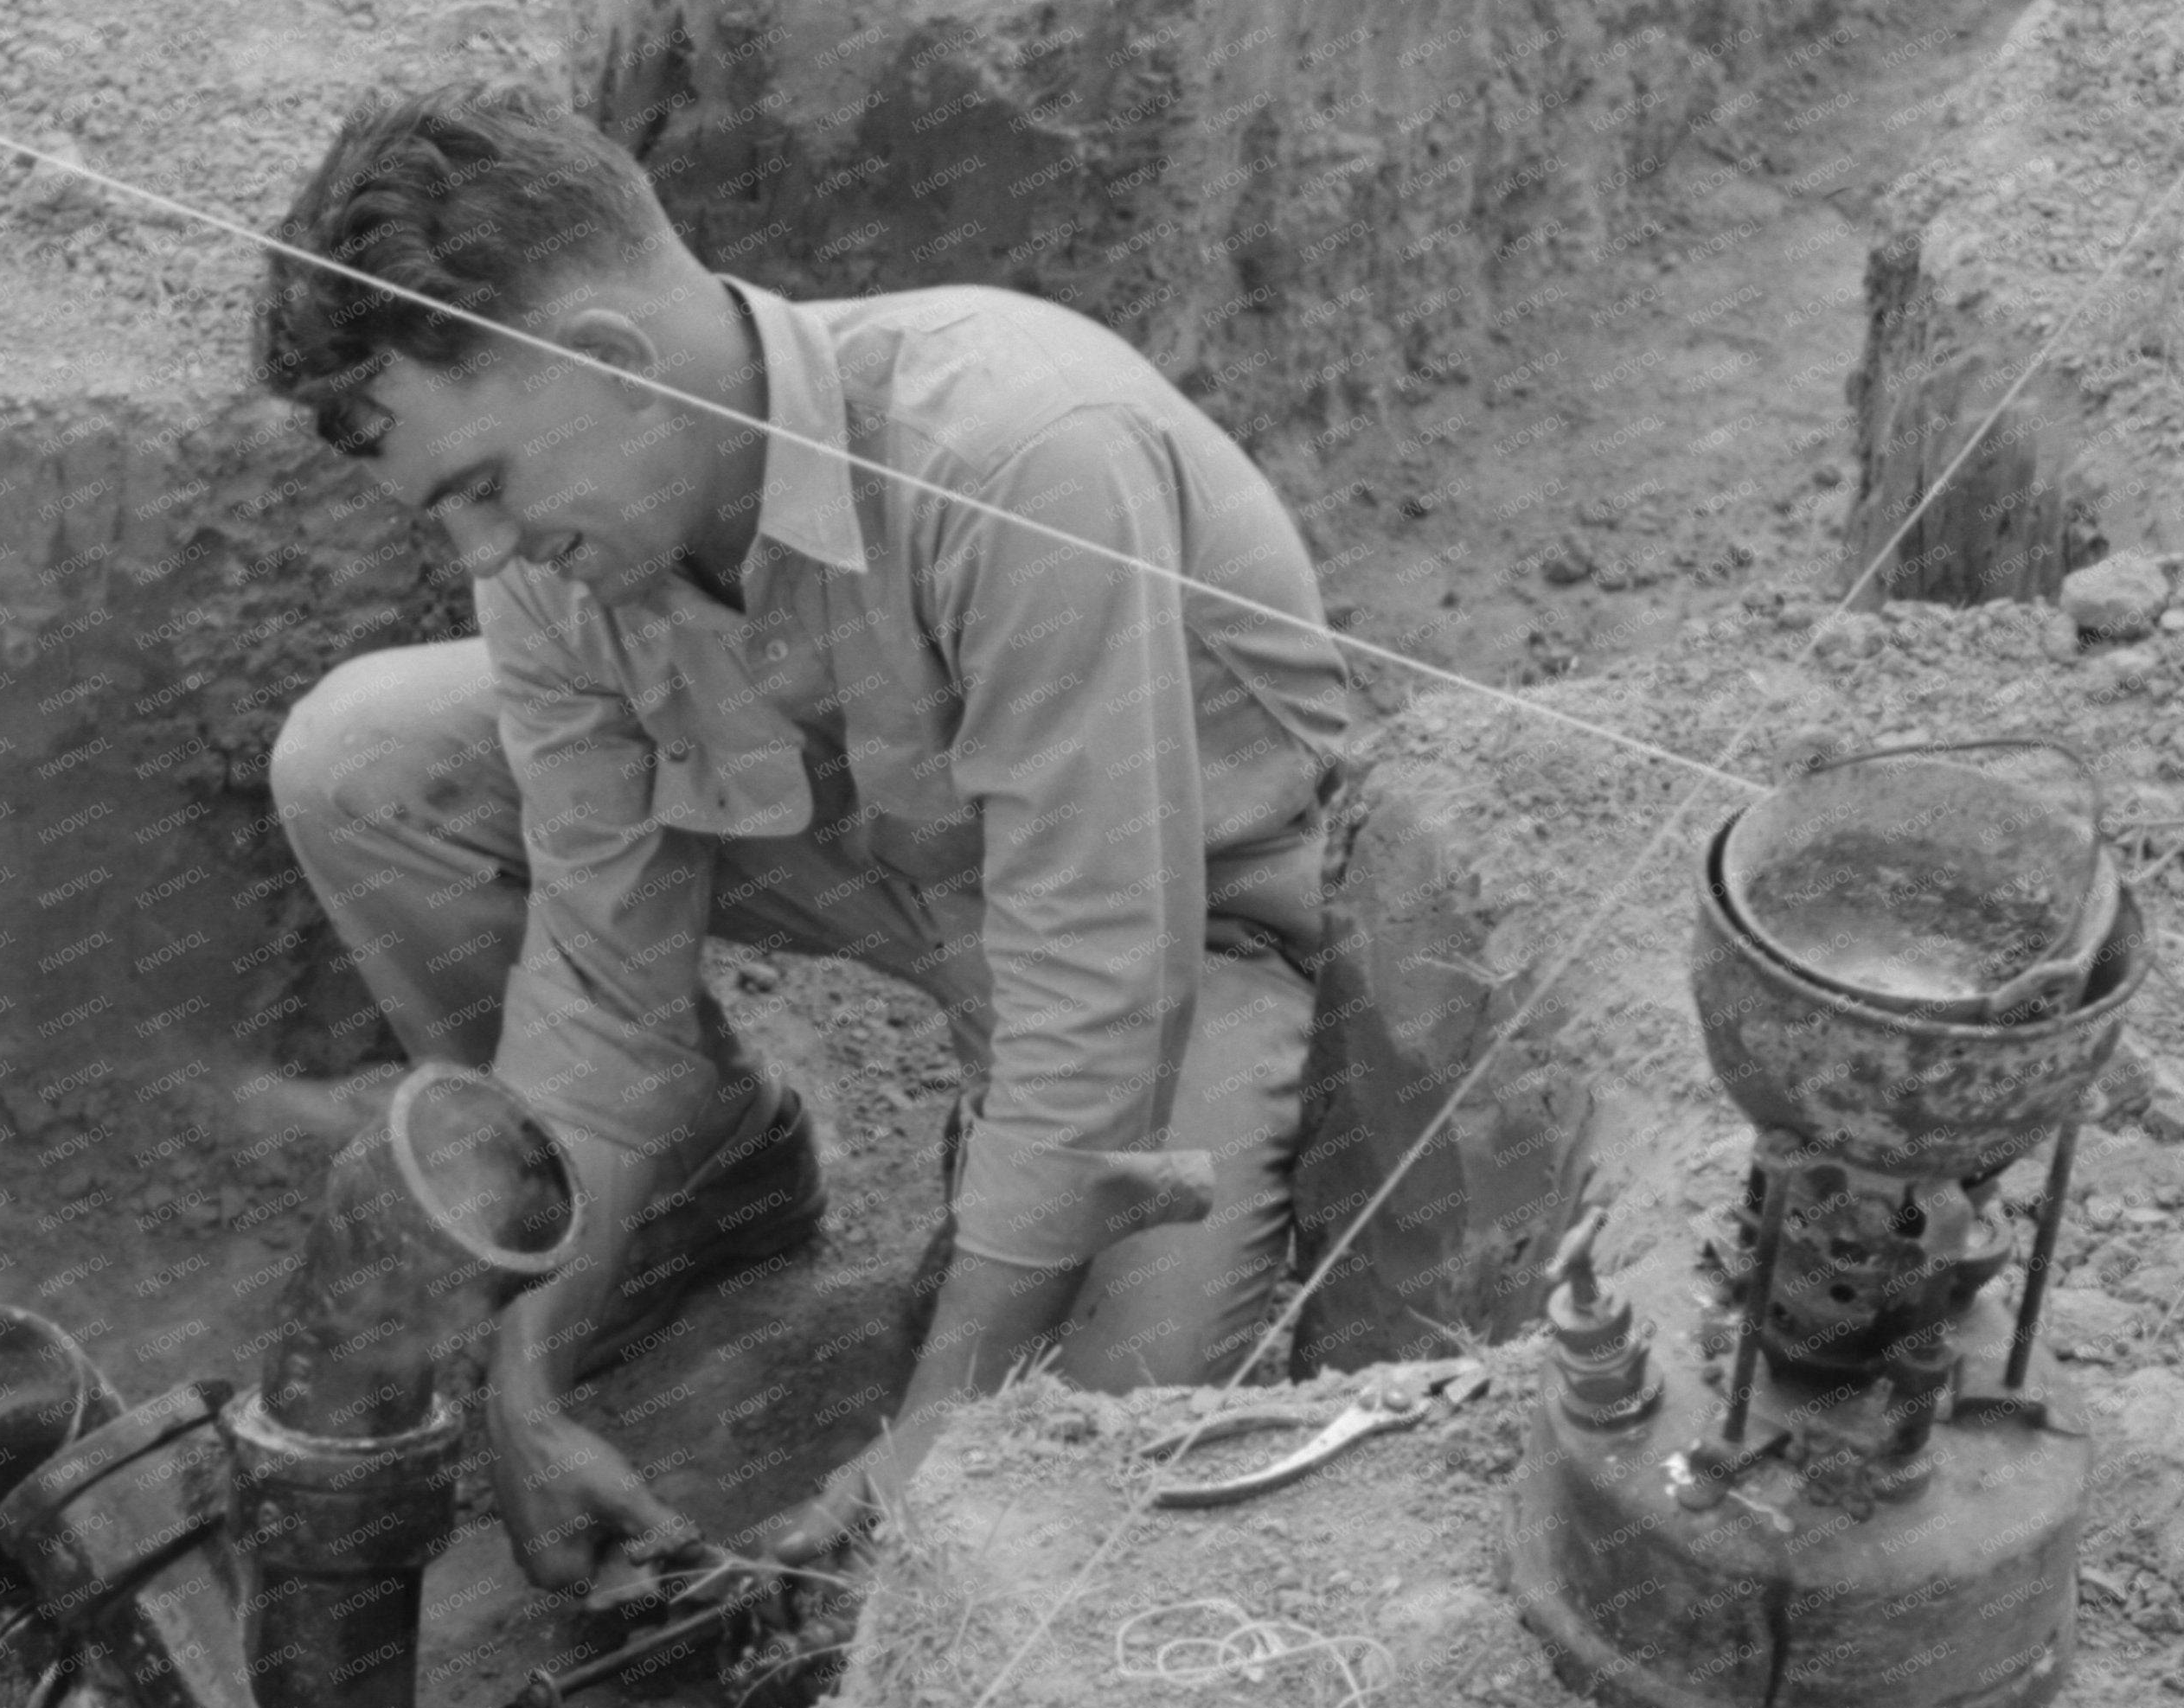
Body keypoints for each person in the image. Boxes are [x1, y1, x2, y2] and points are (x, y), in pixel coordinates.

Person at [257, 83, 1361, 1597]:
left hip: (1196, 926)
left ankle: (1054, 1295)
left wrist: (937, 1426)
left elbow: (1100, 972)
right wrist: (522, 1383)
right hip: (893, 863)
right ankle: (712, 1183)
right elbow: (595, 983)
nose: (482, 556)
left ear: (605, 363)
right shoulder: (570, 543)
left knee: (1072, 1474)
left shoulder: (1018, 451)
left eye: (481, 489)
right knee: (366, 762)